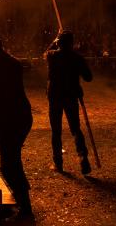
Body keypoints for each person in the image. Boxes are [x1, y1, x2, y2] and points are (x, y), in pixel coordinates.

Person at [0, 37, 33, 219]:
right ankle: (23, 203)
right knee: (12, 161)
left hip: (11, 118)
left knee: (9, 165)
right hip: (23, 116)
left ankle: (25, 208)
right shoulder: (14, 63)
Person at [45, 30, 93, 174]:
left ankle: (58, 163)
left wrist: (55, 38)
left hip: (55, 96)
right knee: (75, 129)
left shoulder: (52, 56)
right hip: (71, 96)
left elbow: (46, 51)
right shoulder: (77, 58)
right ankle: (83, 156)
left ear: (59, 43)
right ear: (72, 43)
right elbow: (88, 77)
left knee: (56, 131)